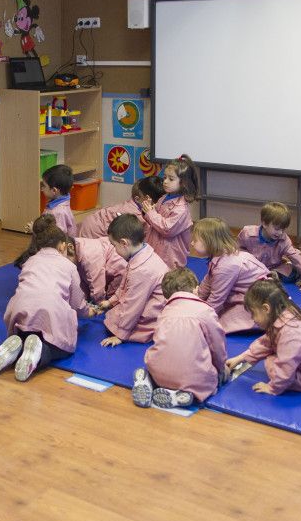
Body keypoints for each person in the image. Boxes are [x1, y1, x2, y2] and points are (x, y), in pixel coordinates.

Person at [0, 223, 88, 381]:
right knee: (60, 347)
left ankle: (16, 345)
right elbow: (77, 303)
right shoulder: (69, 266)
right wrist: (88, 311)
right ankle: (39, 353)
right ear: (62, 246)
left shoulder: (30, 261)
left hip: (20, 311)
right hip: (50, 312)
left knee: (27, 333)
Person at [225, 278, 301, 395]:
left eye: (253, 313)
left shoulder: (291, 333)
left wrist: (272, 388)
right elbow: (266, 342)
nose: (253, 319)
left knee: (271, 360)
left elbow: (285, 368)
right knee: (273, 348)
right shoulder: (287, 314)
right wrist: (240, 358)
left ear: (266, 308)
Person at [132, 267, 228, 409]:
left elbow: (159, 340)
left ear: (167, 296)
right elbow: (217, 344)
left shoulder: (165, 312)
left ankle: (149, 381)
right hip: (193, 378)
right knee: (212, 380)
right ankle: (186, 394)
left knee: (157, 361)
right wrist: (221, 367)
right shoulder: (205, 310)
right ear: (196, 289)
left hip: (159, 372)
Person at [93, 214, 168, 346]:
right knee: (113, 314)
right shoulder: (140, 253)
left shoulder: (142, 270)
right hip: (146, 300)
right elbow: (124, 285)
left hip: (155, 312)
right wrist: (111, 302)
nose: (114, 250)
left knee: (117, 320)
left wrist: (121, 335)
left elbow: (134, 306)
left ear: (124, 243)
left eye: (114, 245)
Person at [191, 217, 268, 333]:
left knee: (221, 322)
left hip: (261, 301)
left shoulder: (226, 265)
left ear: (209, 242)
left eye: (195, 240)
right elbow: (209, 279)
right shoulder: (223, 255)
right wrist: (197, 298)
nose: (192, 243)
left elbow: (216, 299)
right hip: (253, 293)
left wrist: (199, 318)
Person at [139, 155, 198, 268]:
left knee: (167, 282)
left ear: (183, 183)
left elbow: (167, 229)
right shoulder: (164, 197)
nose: (165, 181)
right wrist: (148, 208)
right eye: (165, 177)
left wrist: (151, 213)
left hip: (170, 257)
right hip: (156, 248)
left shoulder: (181, 209)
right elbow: (153, 219)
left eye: (171, 179)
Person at [238, 201, 301, 283]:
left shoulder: (284, 239)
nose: (280, 233)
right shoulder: (247, 233)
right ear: (264, 223)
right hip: (253, 268)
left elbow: (296, 257)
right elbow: (239, 251)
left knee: (291, 272)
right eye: (277, 229)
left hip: (274, 269)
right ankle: (263, 277)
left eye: (283, 229)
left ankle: (269, 276)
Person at [78, 175, 164, 239]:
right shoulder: (136, 217)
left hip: (90, 224)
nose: (155, 205)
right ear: (138, 199)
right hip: (92, 234)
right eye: (153, 203)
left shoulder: (131, 204)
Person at [40, 164, 77, 236]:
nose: (41, 189)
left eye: (44, 186)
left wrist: (36, 230)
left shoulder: (58, 212)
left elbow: (56, 236)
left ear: (54, 190)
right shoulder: (60, 203)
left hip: (57, 245)